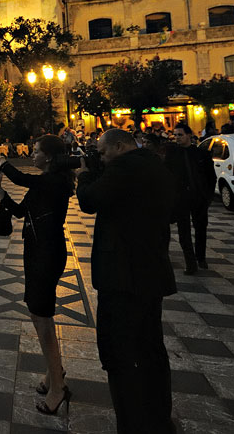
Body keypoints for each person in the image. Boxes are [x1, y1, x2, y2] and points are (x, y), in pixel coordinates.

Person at [76, 129, 177, 434]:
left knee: (119, 354)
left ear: (119, 147)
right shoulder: (156, 165)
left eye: (103, 152)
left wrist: (83, 175)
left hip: (122, 277)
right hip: (152, 271)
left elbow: (89, 200)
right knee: (151, 349)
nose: (101, 158)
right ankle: (159, 419)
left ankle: (132, 424)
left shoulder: (124, 166)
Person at [0, 136, 78, 416]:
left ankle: (58, 387)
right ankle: (55, 372)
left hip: (47, 254)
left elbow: (20, 178)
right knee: (37, 314)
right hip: (36, 251)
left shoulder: (55, 183)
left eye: (37, 151)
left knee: (42, 317)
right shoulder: (44, 183)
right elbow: (20, 212)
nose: (32, 154)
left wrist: (2, 161)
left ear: (49, 157)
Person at [162, 123, 216, 274]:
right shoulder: (172, 154)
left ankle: (201, 257)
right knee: (183, 231)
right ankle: (190, 262)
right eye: (175, 135)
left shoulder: (201, 154)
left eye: (180, 135)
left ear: (189, 135)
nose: (177, 138)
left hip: (198, 197)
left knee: (200, 228)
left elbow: (211, 177)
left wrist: (208, 196)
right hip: (181, 198)